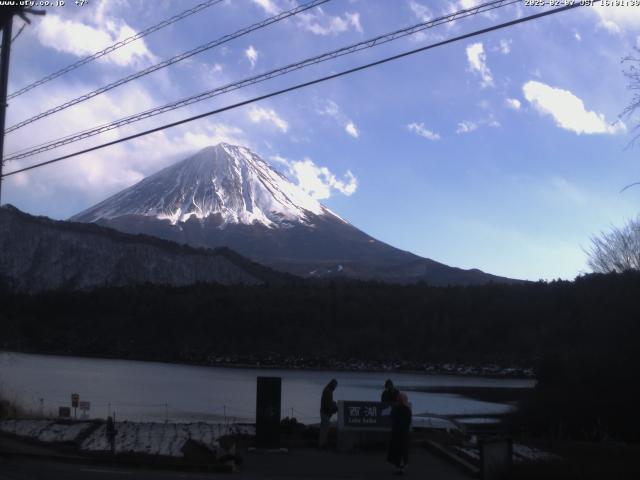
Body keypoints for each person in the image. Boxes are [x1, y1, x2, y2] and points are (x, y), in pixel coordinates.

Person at [387, 392, 411, 475]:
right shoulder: (407, 409)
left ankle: (399, 467)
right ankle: (401, 467)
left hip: (397, 433)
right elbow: (408, 421)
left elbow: (392, 417)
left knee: (397, 450)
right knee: (402, 450)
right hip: (404, 433)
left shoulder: (395, 408)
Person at [318, 378, 338, 448]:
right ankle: (322, 445)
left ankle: (322, 444)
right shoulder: (328, 391)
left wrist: (333, 404)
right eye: (335, 385)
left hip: (324, 412)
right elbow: (327, 403)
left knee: (324, 429)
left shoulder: (327, 390)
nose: (335, 387)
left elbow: (328, 402)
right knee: (325, 429)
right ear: (332, 384)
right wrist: (334, 408)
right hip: (325, 413)